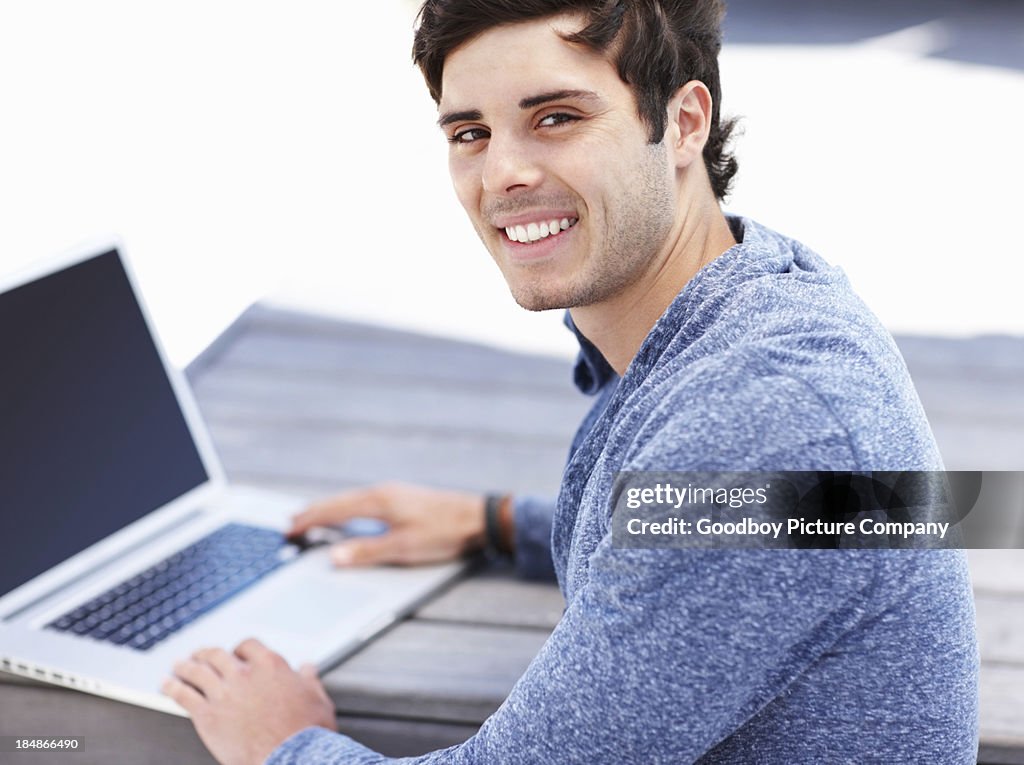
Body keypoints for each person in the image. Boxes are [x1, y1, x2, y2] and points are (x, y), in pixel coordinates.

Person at [163, 1, 980, 763]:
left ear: (685, 122)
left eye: (556, 118)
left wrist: (282, 741)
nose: (503, 174)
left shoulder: (769, 416)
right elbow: (787, 519)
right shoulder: (773, 290)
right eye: (471, 133)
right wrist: (501, 523)